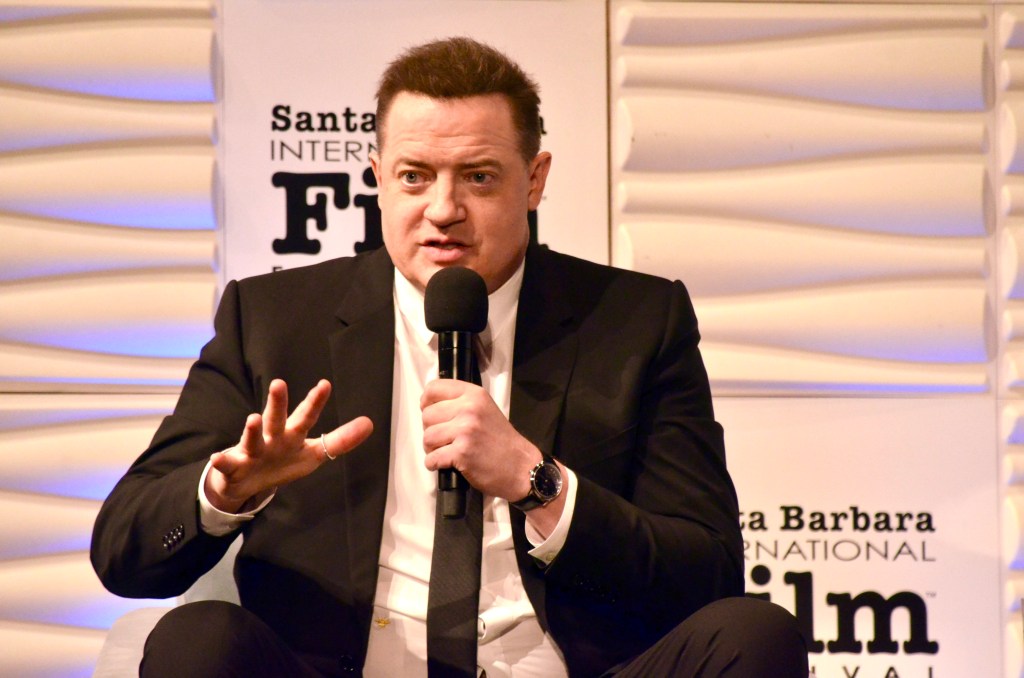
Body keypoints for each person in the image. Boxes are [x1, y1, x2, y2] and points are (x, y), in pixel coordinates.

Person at [91, 37, 808, 677]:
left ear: (535, 179)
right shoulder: (274, 320)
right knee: (196, 640)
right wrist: (224, 493)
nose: (442, 209)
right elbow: (123, 552)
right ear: (377, 176)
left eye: (479, 177)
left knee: (754, 636)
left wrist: (539, 484)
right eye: (415, 176)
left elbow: (708, 572)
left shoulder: (635, 321)